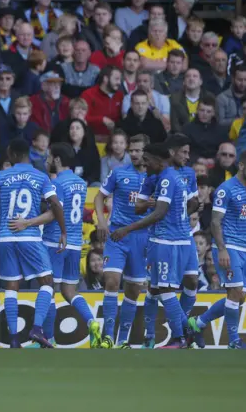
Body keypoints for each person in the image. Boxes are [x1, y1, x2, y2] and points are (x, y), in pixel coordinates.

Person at [0, 138, 66, 348]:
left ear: (14, 155)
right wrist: (63, 231)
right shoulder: (40, 176)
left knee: (11, 287)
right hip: (30, 236)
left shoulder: (3, 175)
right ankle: (36, 329)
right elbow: (54, 204)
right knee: (47, 283)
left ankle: (14, 339)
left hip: (6, 237)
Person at [9, 142, 101, 347]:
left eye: (50, 157)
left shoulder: (56, 183)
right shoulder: (80, 182)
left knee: (47, 287)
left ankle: (45, 336)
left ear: (58, 160)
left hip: (55, 241)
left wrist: (27, 223)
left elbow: (54, 213)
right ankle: (92, 322)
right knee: (69, 292)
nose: (47, 160)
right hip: (76, 244)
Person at [110, 138, 194, 349]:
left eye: (148, 161)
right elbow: (144, 206)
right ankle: (165, 336)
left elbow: (159, 213)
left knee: (165, 289)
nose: (145, 165)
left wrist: (127, 229)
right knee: (154, 289)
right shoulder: (165, 177)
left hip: (167, 240)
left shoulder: (166, 179)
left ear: (158, 160)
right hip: (171, 239)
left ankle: (184, 334)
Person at [188, 151, 246, 349]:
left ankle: (197, 323)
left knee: (240, 296)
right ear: (241, 166)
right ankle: (234, 341)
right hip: (228, 247)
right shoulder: (225, 189)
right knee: (235, 292)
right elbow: (216, 222)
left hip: (244, 248)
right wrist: (222, 249)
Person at [135, 135, 201, 349]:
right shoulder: (155, 176)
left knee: (185, 282)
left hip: (177, 237)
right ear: (171, 152)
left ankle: (183, 333)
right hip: (165, 237)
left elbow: (193, 202)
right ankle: (156, 335)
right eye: (184, 152)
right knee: (157, 288)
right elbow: (139, 205)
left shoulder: (183, 175)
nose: (187, 157)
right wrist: (154, 205)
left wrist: (176, 213)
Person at [93, 133, 149, 349]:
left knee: (134, 290)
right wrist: (101, 221)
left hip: (141, 238)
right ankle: (108, 336)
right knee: (111, 281)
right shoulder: (118, 173)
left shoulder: (155, 179)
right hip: (117, 234)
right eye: (131, 150)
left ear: (146, 152)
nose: (134, 154)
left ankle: (122, 340)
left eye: (138, 150)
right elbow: (99, 196)